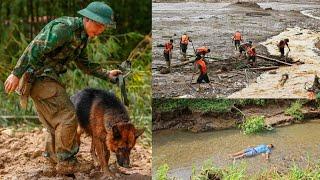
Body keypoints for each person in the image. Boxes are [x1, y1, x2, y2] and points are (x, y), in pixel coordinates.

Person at [4, 1, 122, 174]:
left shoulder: (82, 36)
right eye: (99, 25)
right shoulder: (64, 28)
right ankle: (67, 161)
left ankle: (51, 162)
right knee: (68, 116)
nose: (100, 31)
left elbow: (84, 64)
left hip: (46, 77)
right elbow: (36, 46)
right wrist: (16, 73)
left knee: (56, 122)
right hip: (38, 77)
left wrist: (107, 75)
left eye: (103, 27)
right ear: (88, 19)